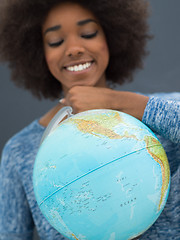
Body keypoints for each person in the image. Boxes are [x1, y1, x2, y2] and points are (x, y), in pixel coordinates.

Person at [0, 0, 179, 239]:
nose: (73, 48)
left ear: (110, 37)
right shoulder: (19, 149)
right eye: (55, 41)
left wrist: (116, 102)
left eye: (88, 33)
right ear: (39, 52)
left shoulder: (166, 110)